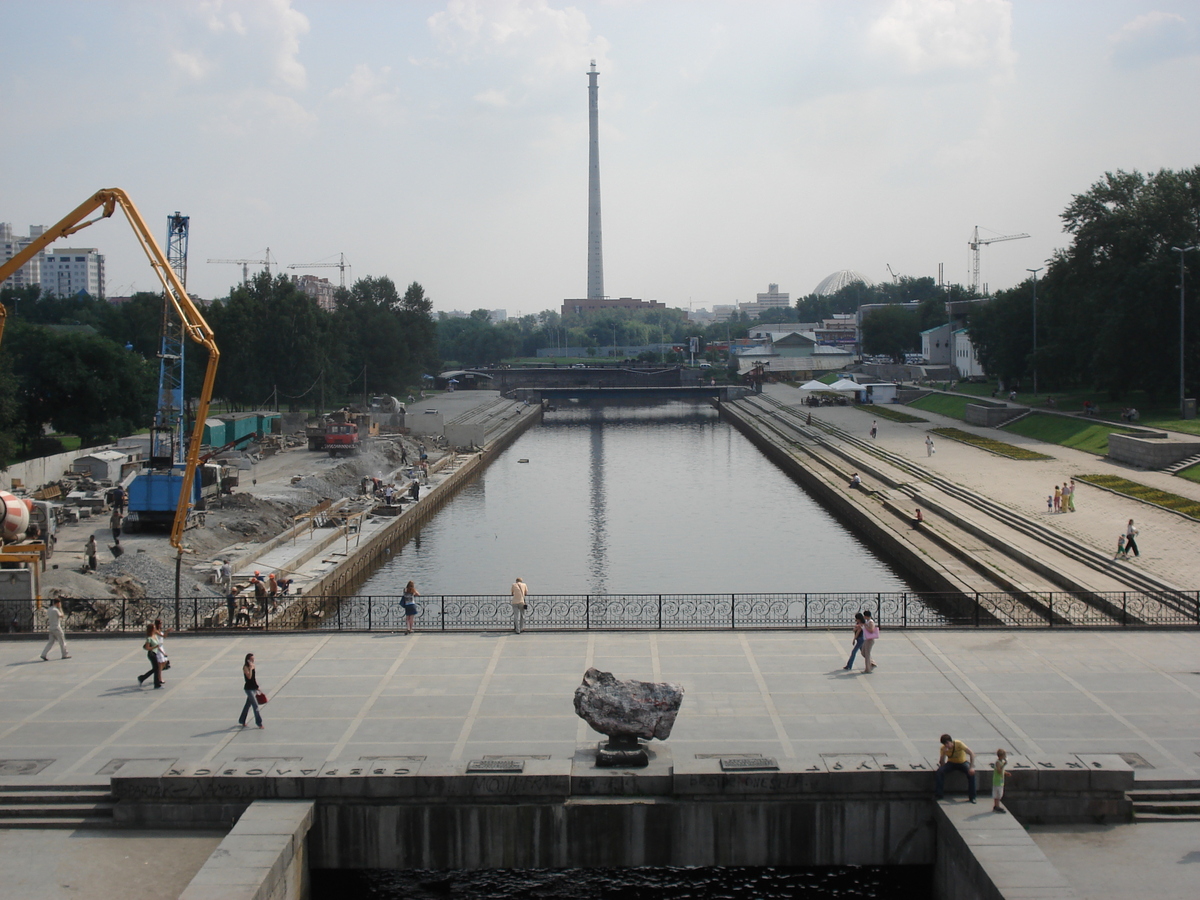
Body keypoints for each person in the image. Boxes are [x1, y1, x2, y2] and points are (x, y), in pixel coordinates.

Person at [936, 733, 977, 802]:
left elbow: (971, 753)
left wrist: (971, 767)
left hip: (962, 762)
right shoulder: (943, 749)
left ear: (950, 741)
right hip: (951, 763)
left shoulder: (958, 744)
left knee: (971, 774)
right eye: (944, 744)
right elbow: (942, 763)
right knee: (939, 772)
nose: (946, 745)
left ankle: (972, 797)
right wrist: (944, 754)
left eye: (947, 743)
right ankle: (939, 794)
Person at [239, 652, 264, 728]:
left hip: (253, 688)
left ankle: (242, 720)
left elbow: (254, 678)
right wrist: (250, 668)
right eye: (252, 659)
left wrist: (257, 687)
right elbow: (249, 677)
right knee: (255, 705)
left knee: (247, 705)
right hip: (248, 689)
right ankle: (259, 723)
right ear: (248, 660)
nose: (253, 660)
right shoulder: (245, 667)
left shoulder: (253, 665)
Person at [138, 623, 164, 688]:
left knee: (155, 669)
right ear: (152, 629)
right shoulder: (149, 638)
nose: (155, 628)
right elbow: (147, 648)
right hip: (151, 654)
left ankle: (143, 678)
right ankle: (156, 684)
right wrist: (154, 647)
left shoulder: (155, 635)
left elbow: (159, 643)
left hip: (155, 653)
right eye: (154, 627)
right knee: (156, 668)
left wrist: (162, 652)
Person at [992, 748, 1011, 813]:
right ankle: (997, 806)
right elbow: (999, 771)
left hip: (1000, 781)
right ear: (1000, 756)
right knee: (998, 794)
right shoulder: (998, 763)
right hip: (997, 781)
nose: (1005, 757)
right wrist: (1004, 765)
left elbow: (1002, 771)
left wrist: (1006, 773)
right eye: (1004, 755)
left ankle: (996, 805)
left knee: (999, 794)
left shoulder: (1001, 762)